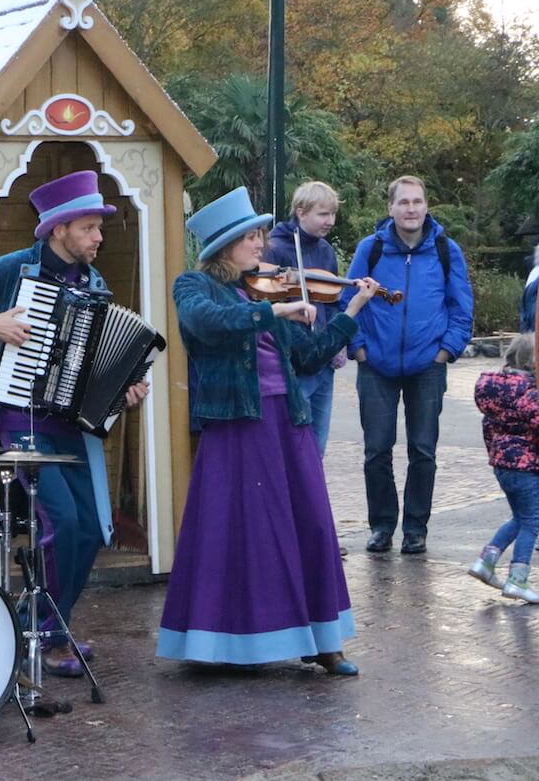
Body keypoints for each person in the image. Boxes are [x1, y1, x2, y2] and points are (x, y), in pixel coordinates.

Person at [0, 170, 147, 676]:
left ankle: (48, 625)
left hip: (70, 428)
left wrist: (125, 389)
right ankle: (47, 636)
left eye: (99, 228)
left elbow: (96, 360)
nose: (98, 238)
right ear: (59, 229)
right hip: (19, 420)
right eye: (90, 228)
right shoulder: (3, 273)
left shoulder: (96, 283)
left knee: (92, 529)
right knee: (63, 524)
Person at [157, 186, 379, 675]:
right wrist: (274, 310)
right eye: (250, 237)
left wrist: (351, 312)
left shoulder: (268, 285)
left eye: (260, 235)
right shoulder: (194, 287)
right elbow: (209, 323)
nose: (261, 245)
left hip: (288, 421)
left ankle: (324, 640)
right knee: (240, 532)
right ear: (224, 246)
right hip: (238, 425)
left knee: (312, 526)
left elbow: (308, 356)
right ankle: (221, 644)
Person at [343, 175, 474, 555]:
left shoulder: (447, 250)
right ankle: (382, 525)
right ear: (391, 208)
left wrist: (445, 352)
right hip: (376, 366)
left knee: (423, 450)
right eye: (404, 203)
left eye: (417, 202)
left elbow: (461, 308)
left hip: (428, 366)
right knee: (377, 450)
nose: (411, 209)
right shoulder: (371, 249)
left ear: (427, 206)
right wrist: (359, 349)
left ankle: (416, 528)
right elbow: (345, 299)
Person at [263, 182, 343, 457]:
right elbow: (270, 304)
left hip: (323, 358)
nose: (330, 221)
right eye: (323, 214)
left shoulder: (325, 252)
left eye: (333, 214)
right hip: (293, 361)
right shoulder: (274, 248)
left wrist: (337, 342)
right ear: (300, 212)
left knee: (317, 446)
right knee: (294, 444)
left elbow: (332, 302)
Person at [467, 333, 539, 603]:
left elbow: (488, 428)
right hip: (527, 466)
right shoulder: (530, 393)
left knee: (520, 518)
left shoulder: (497, 390)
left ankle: (486, 562)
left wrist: (496, 456)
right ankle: (517, 579)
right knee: (533, 521)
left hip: (503, 465)